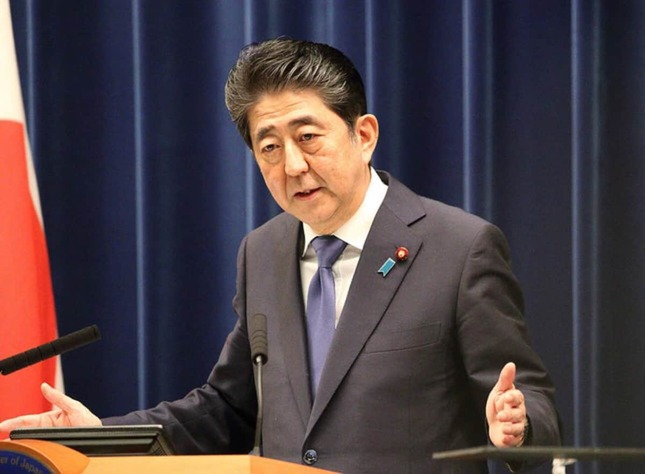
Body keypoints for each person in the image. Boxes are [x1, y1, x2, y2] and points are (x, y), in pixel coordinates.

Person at [0, 38, 561, 473]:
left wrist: (514, 426)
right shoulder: (263, 251)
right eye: (270, 147)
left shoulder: (459, 247)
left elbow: (532, 399)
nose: (292, 165)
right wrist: (100, 434)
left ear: (364, 134)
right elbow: (227, 408)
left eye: (308, 137)